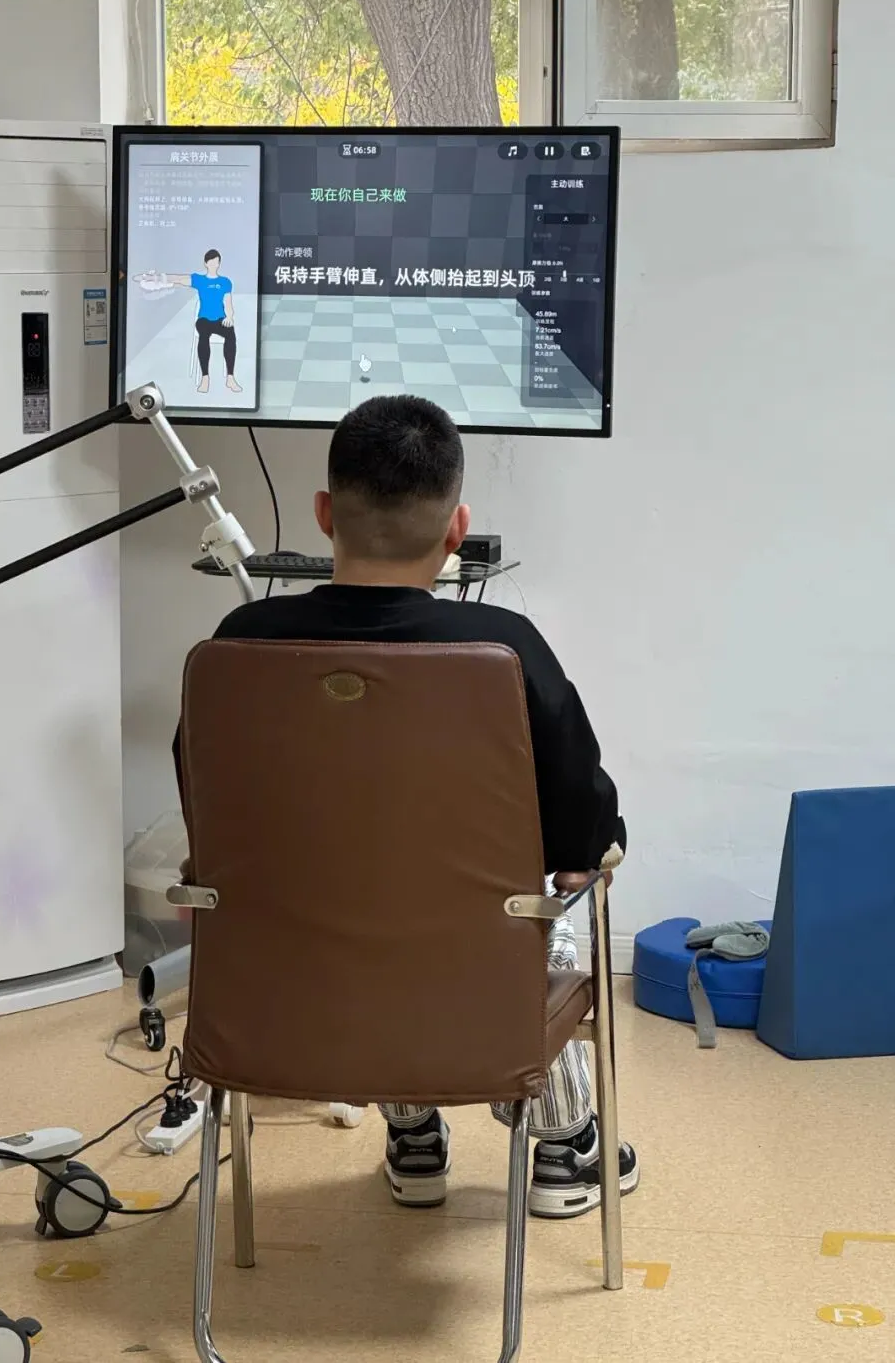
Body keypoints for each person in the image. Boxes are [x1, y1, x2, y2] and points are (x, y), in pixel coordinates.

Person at [172, 395, 638, 1220]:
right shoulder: (504, 649)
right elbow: (584, 834)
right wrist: (595, 849)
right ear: (457, 529)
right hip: (465, 1001)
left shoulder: (238, 643)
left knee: (359, 899)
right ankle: (566, 1148)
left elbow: (204, 814)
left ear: (324, 514)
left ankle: (414, 1129)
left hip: (280, 1002)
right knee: (543, 912)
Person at [135, 249, 242, 395]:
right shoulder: (199, 280)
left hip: (220, 319)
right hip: (204, 319)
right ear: (206, 263)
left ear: (219, 264)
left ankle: (230, 377)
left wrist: (229, 317)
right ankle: (205, 378)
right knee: (203, 336)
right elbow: (178, 279)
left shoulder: (225, 282)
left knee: (231, 335)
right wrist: (156, 278)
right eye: (211, 262)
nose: (214, 265)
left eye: (216, 262)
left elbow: (228, 303)